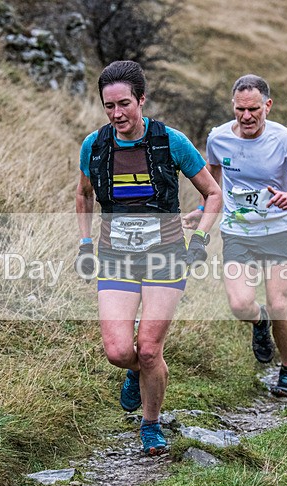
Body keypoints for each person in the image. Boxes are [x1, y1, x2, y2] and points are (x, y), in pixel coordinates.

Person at [75, 60, 222, 455]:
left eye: (124, 104)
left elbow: (213, 194)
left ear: (142, 99)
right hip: (116, 257)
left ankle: (151, 424)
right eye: (109, 106)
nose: (117, 114)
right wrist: (85, 243)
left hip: (166, 256)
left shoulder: (170, 141)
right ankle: (136, 373)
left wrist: (201, 240)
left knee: (151, 348)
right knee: (120, 351)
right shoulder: (95, 145)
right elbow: (84, 194)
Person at [183, 74, 287, 398]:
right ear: (233, 106)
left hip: (278, 229)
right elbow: (212, 184)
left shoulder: (284, 140)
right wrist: (203, 210)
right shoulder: (218, 139)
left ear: (268, 107)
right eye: (240, 109)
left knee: (278, 303)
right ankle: (259, 324)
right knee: (240, 304)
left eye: (254, 109)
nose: (246, 116)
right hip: (238, 231)